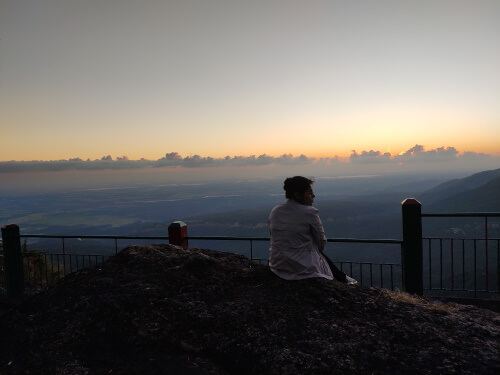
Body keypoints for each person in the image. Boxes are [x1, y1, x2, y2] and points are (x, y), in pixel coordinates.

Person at [268, 176, 357, 284]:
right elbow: (321, 242)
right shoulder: (309, 212)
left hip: (277, 264)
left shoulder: (275, 211)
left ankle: (343, 277)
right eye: (309, 193)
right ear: (297, 195)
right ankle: (345, 279)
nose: (313, 196)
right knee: (317, 253)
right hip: (302, 267)